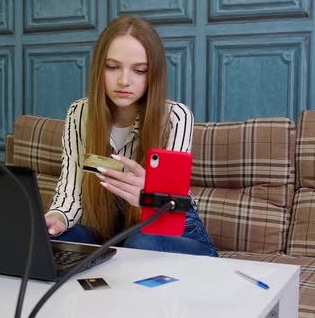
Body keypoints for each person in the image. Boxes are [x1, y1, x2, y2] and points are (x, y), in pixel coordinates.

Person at [44, 15, 217, 257]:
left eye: (139, 70)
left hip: (174, 231)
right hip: (110, 231)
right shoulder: (79, 113)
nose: (124, 81)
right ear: (99, 69)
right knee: (52, 242)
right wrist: (55, 219)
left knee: (141, 243)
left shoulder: (176, 117)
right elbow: (69, 195)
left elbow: (173, 210)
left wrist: (150, 197)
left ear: (152, 74)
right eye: (113, 67)